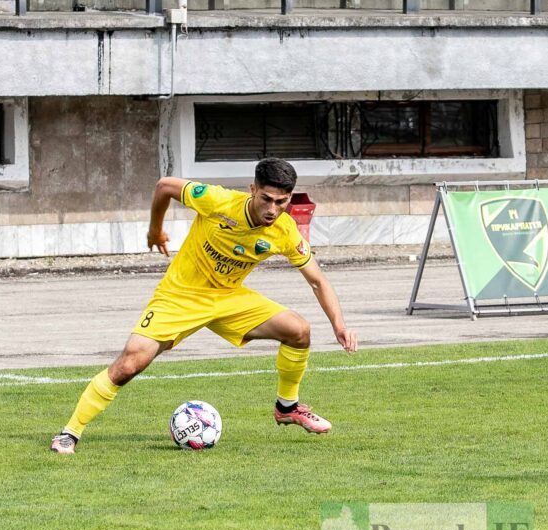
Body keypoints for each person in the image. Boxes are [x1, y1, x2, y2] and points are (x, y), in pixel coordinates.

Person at [50, 158, 357, 454]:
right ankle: (70, 432)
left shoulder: (285, 230)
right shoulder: (217, 201)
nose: (273, 209)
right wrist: (155, 229)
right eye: (267, 199)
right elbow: (164, 186)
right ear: (253, 190)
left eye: (282, 201)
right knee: (128, 365)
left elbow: (318, 280)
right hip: (180, 296)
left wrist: (339, 325)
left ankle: (287, 407)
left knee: (298, 331)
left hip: (227, 297)